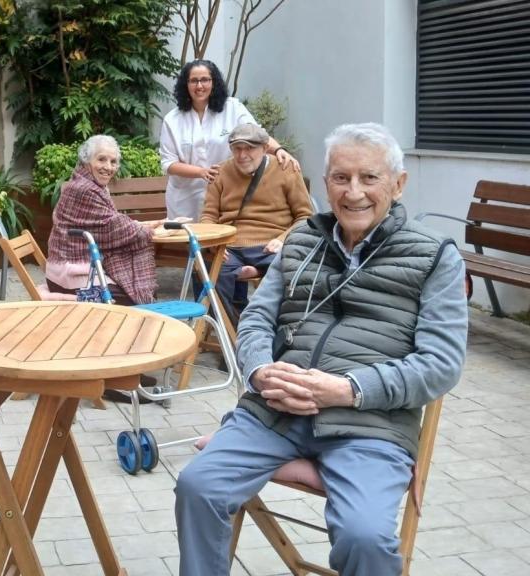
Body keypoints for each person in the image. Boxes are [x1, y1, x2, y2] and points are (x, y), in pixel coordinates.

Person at [174, 123, 468, 576]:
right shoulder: (303, 241)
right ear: (324, 181)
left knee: (365, 536)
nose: (353, 193)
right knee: (198, 487)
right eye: (340, 178)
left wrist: (346, 389)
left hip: (370, 425)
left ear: (398, 183)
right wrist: (258, 371)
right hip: (274, 412)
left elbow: (441, 364)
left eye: (369, 178)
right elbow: (256, 318)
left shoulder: (434, 256)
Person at [160, 59, 300, 222]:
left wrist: (278, 150)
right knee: (187, 243)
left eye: (205, 79)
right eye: (194, 81)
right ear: (186, 84)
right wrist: (201, 172)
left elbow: (257, 135)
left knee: (221, 239)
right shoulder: (172, 119)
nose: (199, 86)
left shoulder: (232, 108)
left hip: (226, 192)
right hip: (185, 197)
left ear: (214, 82)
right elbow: (168, 164)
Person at [201, 123, 313, 323]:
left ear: (264, 147)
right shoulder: (220, 173)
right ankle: (235, 333)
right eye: (237, 148)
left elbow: (305, 216)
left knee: (293, 268)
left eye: (250, 148)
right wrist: (214, 242)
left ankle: (280, 326)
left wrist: (283, 239)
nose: (242, 154)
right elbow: (208, 216)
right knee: (207, 271)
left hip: (270, 245)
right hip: (230, 246)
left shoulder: (286, 169)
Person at [46, 134, 159, 306]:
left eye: (113, 162)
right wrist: (146, 228)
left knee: (141, 289)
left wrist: (140, 225)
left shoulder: (88, 184)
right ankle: (71, 301)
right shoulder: (84, 189)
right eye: (101, 160)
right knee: (132, 296)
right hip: (69, 274)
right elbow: (113, 226)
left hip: (76, 269)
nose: (108, 167)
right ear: (86, 161)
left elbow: (110, 222)